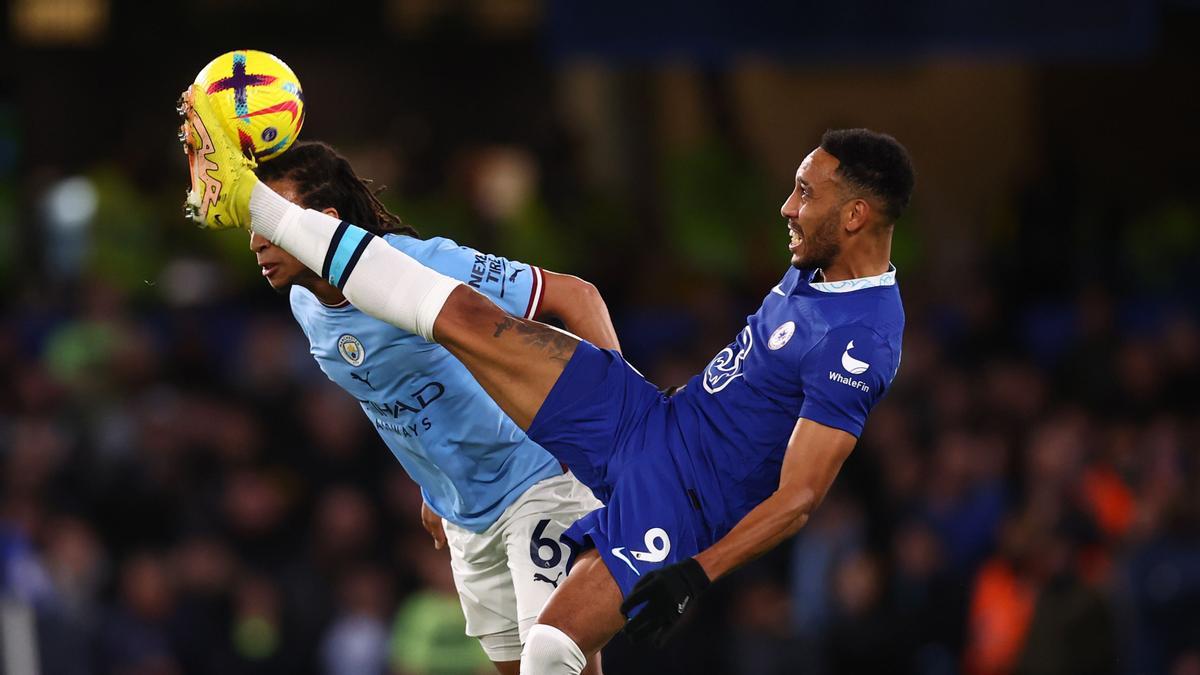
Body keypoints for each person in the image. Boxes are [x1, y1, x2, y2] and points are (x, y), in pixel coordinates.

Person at [180, 84, 913, 674]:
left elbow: (802, 496)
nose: (788, 206)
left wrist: (699, 573)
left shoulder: (865, 339)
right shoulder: (812, 265)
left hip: (679, 495)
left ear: (855, 215)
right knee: (466, 322)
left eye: (806, 194)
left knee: (551, 653)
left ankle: (255, 197)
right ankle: (258, 199)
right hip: (649, 421)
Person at [246, 141, 613, 675]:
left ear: (323, 224)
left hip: (539, 476)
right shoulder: (306, 302)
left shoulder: (419, 265)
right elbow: (386, 392)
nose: (257, 242)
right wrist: (432, 482)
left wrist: (623, 428)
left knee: (554, 663)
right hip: (465, 512)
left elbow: (576, 296)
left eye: (271, 222)